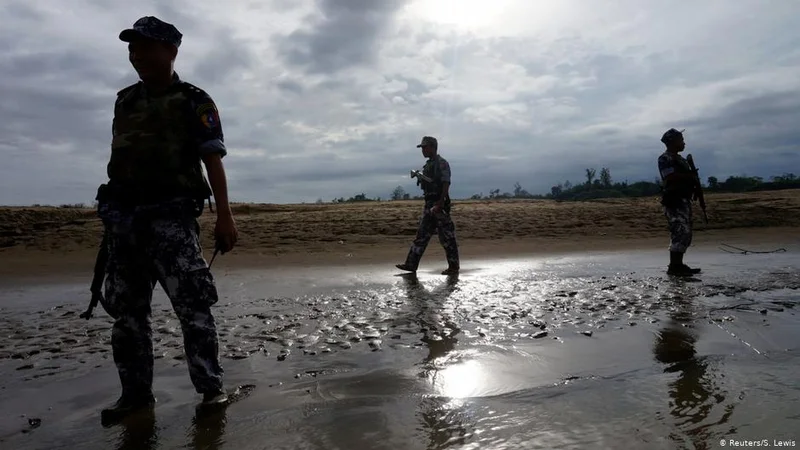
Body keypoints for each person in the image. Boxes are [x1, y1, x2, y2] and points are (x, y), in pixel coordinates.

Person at [96, 16, 238, 426]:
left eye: (145, 47)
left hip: (172, 219)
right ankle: (135, 396)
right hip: (125, 224)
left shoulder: (195, 100)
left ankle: (211, 390)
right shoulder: (124, 101)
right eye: (132, 47)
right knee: (127, 315)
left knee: (193, 309)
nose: (136, 54)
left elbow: (213, 160)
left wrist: (226, 216)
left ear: (171, 51)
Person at [396, 136, 460, 275]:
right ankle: (411, 264)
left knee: (447, 237)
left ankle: (454, 267)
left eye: (425, 147)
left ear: (432, 147)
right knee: (421, 236)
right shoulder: (428, 165)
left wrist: (441, 202)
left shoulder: (442, 163)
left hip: (439, 204)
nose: (423, 150)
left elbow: (446, 183)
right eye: (422, 148)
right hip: (429, 203)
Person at [657, 128, 701, 277]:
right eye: (680, 140)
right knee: (679, 231)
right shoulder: (665, 158)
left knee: (686, 233)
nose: (683, 143)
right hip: (674, 200)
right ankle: (674, 266)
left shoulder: (681, 160)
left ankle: (678, 265)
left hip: (684, 199)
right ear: (672, 142)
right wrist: (689, 177)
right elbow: (669, 177)